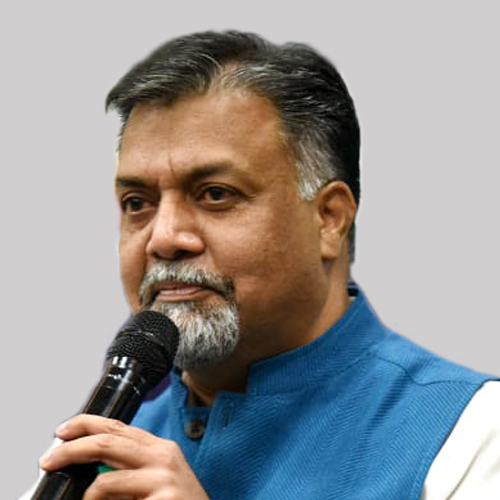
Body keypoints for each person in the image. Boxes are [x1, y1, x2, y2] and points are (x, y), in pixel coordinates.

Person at [26, 30, 499, 499]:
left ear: (329, 219)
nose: (164, 237)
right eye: (137, 203)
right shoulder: (90, 458)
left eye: (215, 194)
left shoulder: (471, 436)